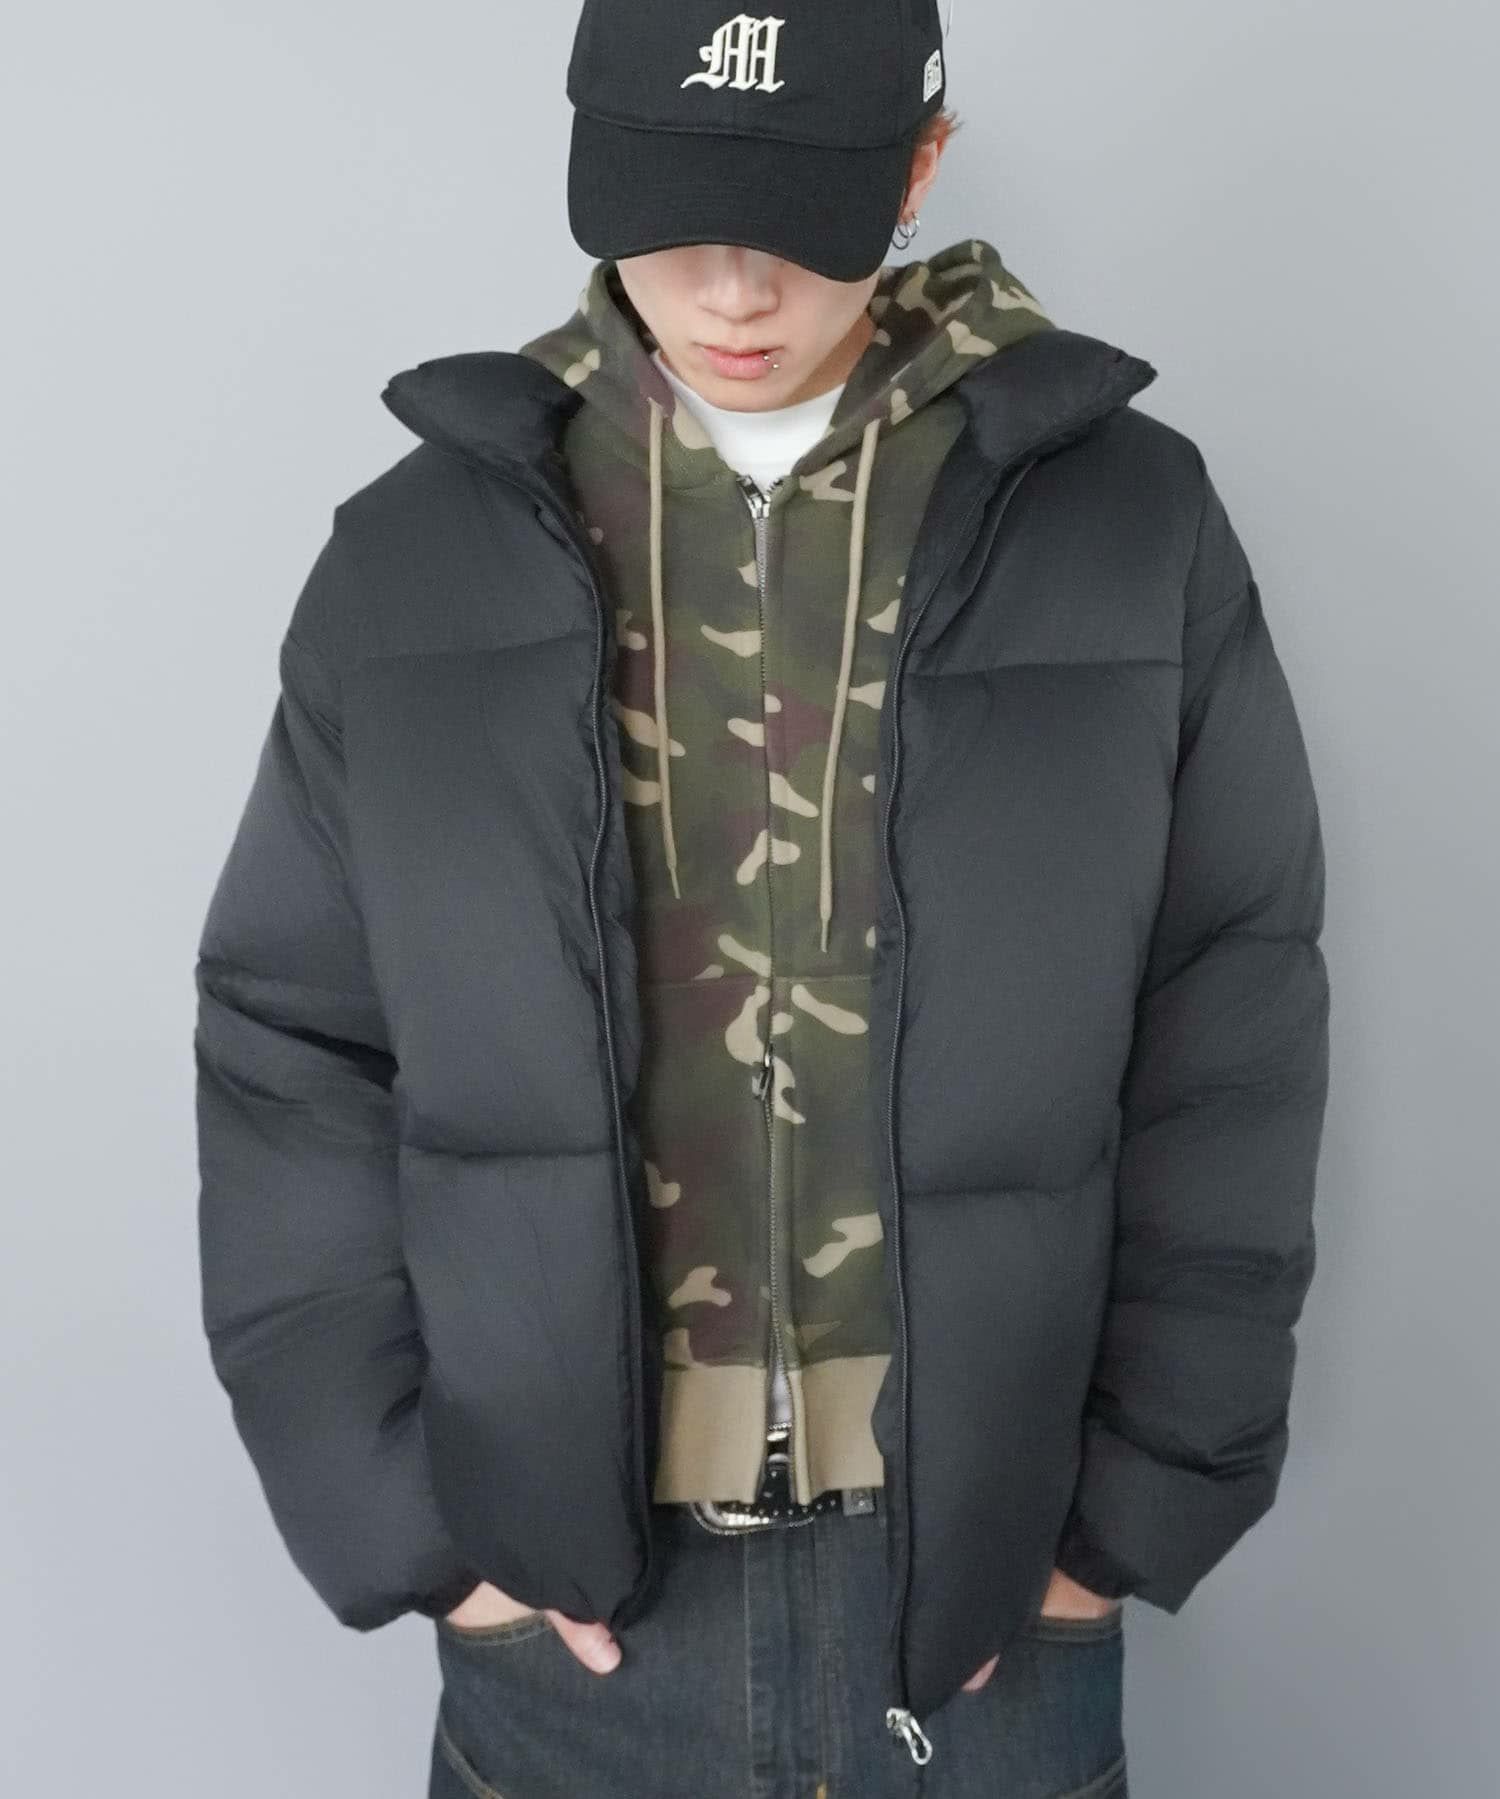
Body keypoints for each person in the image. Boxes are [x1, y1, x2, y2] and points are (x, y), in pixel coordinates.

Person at [192, 2, 1331, 1794]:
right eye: (673, 218)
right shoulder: (422, 554)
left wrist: (1121, 1522)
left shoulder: (1126, 527)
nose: (733, 291)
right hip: (574, 1631)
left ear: (920, 162)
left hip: (987, 1603)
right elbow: (292, 1043)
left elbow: (1230, 1017)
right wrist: (418, 1526)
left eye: (797, 218)